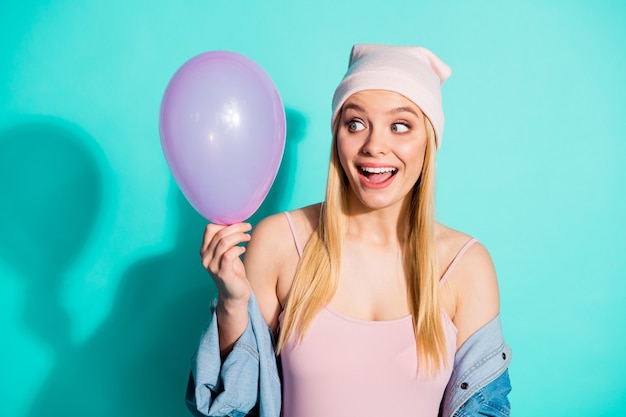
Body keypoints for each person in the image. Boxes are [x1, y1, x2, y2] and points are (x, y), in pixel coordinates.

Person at [187, 44, 512, 417]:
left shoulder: (465, 264)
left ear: (429, 140)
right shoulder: (280, 241)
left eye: (400, 126)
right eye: (355, 124)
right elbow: (230, 408)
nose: (375, 146)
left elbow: (486, 409)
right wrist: (231, 303)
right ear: (337, 137)